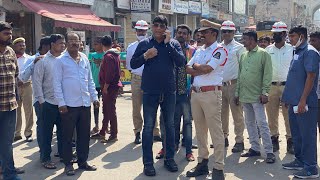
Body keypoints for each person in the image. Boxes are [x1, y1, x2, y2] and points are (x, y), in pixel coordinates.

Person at [131, 15, 185, 176]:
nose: (159, 29)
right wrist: (146, 55)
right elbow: (133, 64)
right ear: (151, 27)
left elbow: (181, 62)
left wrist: (168, 45)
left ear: (166, 28)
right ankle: (148, 163)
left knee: (169, 126)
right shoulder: (144, 44)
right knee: (148, 128)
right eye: (156, 25)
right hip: (150, 91)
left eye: (162, 26)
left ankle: (169, 159)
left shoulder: (173, 43)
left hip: (169, 91)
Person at [185, 19, 227, 180]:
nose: (201, 35)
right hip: (196, 93)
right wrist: (198, 68)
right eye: (201, 32)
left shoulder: (219, 50)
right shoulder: (200, 50)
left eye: (205, 32)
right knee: (200, 131)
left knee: (216, 131)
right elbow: (187, 68)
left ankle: (218, 167)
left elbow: (208, 69)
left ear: (214, 34)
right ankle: (202, 162)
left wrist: (196, 67)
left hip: (211, 94)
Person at [54, 32, 99, 176]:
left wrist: (95, 97)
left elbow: (90, 80)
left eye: (77, 41)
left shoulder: (85, 58)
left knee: (84, 135)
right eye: (71, 40)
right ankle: (68, 164)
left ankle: (83, 161)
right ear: (67, 43)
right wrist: (61, 103)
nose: (74, 43)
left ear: (81, 43)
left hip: (85, 104)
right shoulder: (60, 61)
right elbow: (56, 84)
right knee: (67, 136)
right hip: (68, 106)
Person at [282, 26, 320, 179]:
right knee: (297, 134)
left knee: (307, 135)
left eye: (292, 36)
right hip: (294, 102)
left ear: (302, 37)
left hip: (306, 103)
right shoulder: (297, 51)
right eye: (289, 36)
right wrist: (288, 98)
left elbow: (311, 77)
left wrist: (303, 99)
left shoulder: (310, 52)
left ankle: (311, 168)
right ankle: (300, 161)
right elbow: (294, 77)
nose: (290, 39)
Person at [157, 24, 196, 161]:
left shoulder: (192, 51)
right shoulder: (168, 47)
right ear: (175, 33)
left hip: (185, 93)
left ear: (189, 36)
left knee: (187, 122)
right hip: (169, 92)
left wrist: (193, 87)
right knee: (167, 122)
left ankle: (189, 151)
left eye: (185, 33)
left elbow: (195, 71)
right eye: (179, 32)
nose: (181, 35)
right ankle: (166, 147)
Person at [235, 30, 276, 163]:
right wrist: (237, 93)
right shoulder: (243, 55)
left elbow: (267, 75)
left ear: (252, 40)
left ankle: (269, 152)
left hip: (257, 96)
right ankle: (254, 148)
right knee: (249, 123)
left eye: (245, 39)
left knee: (262, 124)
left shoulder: (263, 54)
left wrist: (265, 92)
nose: (243, 41)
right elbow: (240, 75)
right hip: (245, 95)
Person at [125, 20, 161, 144]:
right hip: (136, 79)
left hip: (150, 78)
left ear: (147, 31)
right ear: (135, 31)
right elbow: (130, 65)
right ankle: (138, 132)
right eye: (139, 30)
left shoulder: (152, 44)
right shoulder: (131, 47)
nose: (141, 32)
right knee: (136, 107)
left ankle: (155, 132)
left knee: (152, 105)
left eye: (143, 30)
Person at [33, 34, 66, 169]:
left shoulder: (65, 59)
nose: (63, 46)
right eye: (60, 43)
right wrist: (41, 101)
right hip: (48, 103)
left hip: (63, 103)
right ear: (52, 44)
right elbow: (36, 82)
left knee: (63, 132)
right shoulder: (42, 61)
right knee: (46, 133)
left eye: (64, 43)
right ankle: (45, 158)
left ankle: (64, 155)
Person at [265, 22, 294, 154]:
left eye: (278, 33)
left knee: (288, 115)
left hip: (287, 86)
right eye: (274, 33)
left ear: (284, 34)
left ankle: (290, 141)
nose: (275, 35)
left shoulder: (292, 49)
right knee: (271, 115)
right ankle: (274, 138)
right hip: (271, 86)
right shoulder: (268, 50)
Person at [19, 36, 51, 150]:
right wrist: (33, 63)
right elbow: (23, 77)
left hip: (55, 98)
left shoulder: (55, 58)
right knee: (42, 125)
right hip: (40, 99)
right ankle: (43, 151)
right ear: (46, 46)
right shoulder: (32, 58)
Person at [0, 21, 23, 180]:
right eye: (6, 33)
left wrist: (17, 97)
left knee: (7, 142)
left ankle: (9, 173)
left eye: (10, 33)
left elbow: (15, 77)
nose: (10, 36)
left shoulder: (10, 52)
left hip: (10, 106)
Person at [220, 20, 246, 153]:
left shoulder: (239, 48)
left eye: (229, 31)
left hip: (234, 85)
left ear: (234, 32)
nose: (226, 33)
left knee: (237, 114)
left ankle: (239, 140)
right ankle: (223, 137)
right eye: (224, 31)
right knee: (221, 114)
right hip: (220, 85)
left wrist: (240, 90)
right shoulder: (218, 47)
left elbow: (242, 69)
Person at [91, 35, 122, 143]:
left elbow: (109, 73)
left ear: (102, 45)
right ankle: (103, 131)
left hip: (109, 87)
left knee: (110, 110)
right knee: (107, 110)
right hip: (112, 86)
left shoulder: (108, 56)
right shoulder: (114, 54)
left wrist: (106, 86)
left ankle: (113, 134)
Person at [12, 37, 34, 142]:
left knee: (28, 110)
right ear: (14, 46)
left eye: (23, 45)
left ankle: (28, 133)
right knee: (16, 110)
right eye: (19, 45)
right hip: (14, 87)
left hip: (27, 86)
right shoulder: (11, 57)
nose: (22, 47)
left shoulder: (30, 58)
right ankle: (17, 133)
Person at [88, 37, 105, 135]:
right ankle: (96, 124)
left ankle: (106, 125)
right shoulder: (91, 55)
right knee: (95, 106)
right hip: (94, 84)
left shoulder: (106, 55)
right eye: (94, 44)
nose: (95, 46)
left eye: (97, 44)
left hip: (104, 84)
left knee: (106, 106)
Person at [309, 31, 320, 132]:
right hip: (312, 97)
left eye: (314, 41)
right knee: (311, 128)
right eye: (310, 41)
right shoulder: (309, 55)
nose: (311, 43)